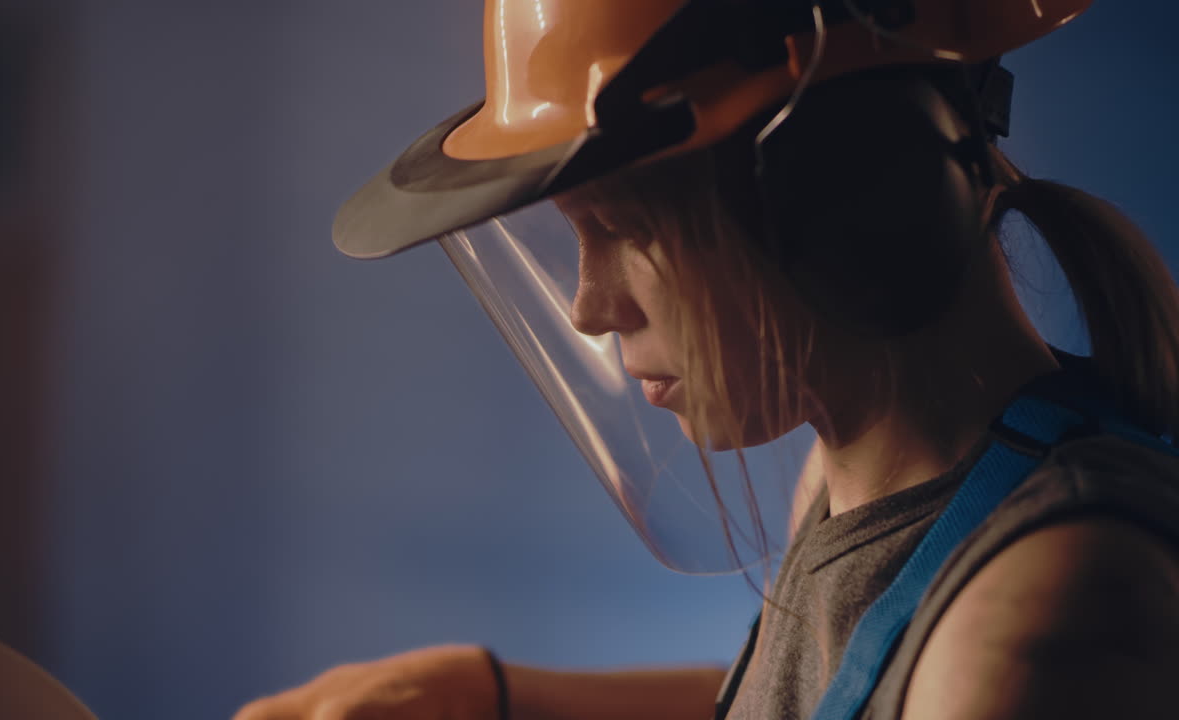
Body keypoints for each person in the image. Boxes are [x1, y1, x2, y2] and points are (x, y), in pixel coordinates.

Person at [235, 0, 1179, 718]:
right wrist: (496, 696)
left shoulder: (1043, 624)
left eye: (621, 227)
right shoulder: (869, 477)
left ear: (839, 184)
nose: (588, 306)